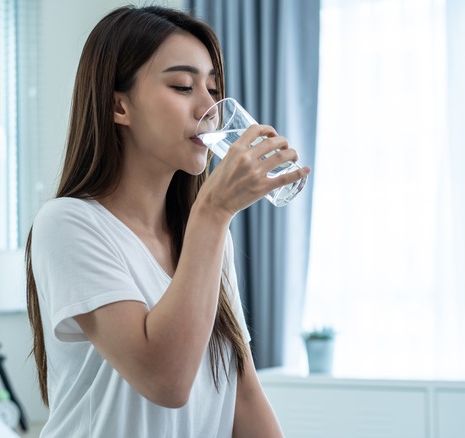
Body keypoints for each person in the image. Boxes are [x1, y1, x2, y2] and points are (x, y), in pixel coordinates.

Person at [26, 5, 310, 437]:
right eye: (182, 86)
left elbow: (243, 392)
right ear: (119, 106)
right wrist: (213, 213)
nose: (209, 108)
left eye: (213, 88)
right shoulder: (67, 224)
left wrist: (210, 222)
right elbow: (166, 381)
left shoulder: (204, 236)